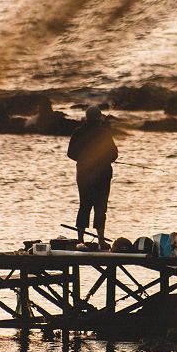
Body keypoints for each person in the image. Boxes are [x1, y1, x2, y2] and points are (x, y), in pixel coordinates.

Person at [67, 105, 118, 249]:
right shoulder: (105, 133)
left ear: (87, 117)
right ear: (99, 117)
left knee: (84, 205)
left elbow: (70, 153)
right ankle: (101, 241)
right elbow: (114, 155)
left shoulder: (78, 132)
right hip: (103, 174)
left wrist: (84, 159)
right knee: (100, 207)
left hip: (83, 174)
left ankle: (80, 240)